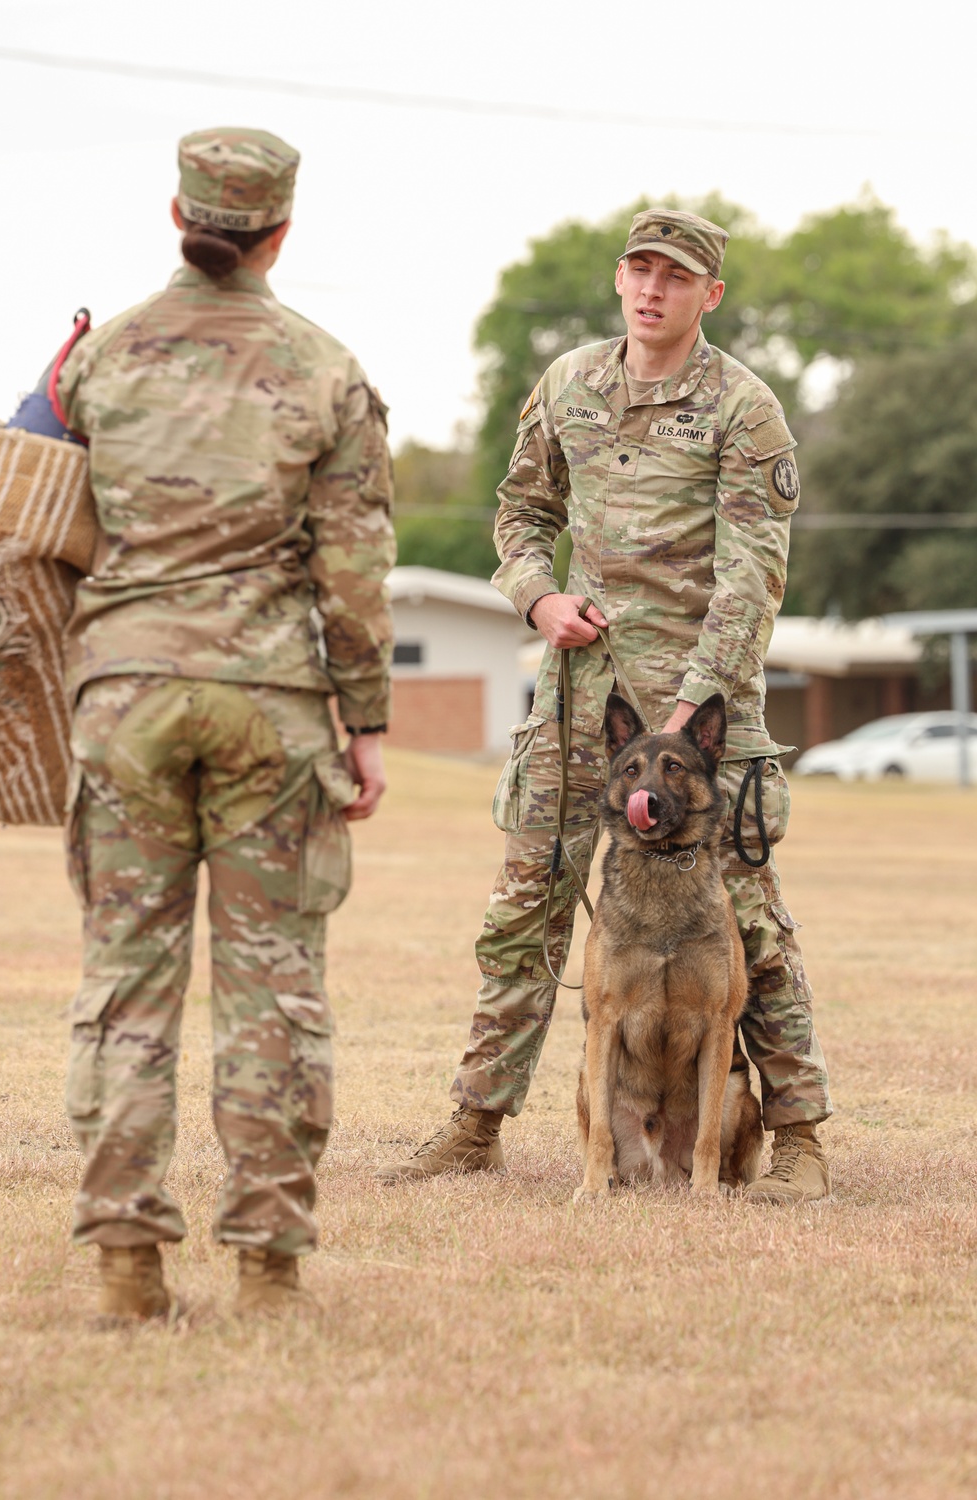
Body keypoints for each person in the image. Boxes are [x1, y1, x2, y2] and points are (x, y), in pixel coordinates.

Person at [378, 209, 831, 1202]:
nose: (650, 288)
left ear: (708, 295)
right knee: (525, 908)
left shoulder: (742, 409)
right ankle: (474, 1124)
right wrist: (537, 595)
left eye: (674, 276)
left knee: (744, 918)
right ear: (619, 279)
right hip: (579, 706)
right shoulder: (568, 384)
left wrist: (689, 707)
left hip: (702, 724)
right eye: (637, 268)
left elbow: (753, 573)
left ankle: (798, 1138)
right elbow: (521, 513)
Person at [57, 127, 395, 1318]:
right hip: (267, 711)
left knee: (125, 987)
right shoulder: (323, 367)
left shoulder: (98, 362)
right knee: (275, 989)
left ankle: (125, 1268)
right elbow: (353, 571)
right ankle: (268, 1270)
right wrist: (365, 723)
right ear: (281, 230)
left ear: (177, 215)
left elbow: (34, 521)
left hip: (128, 701)